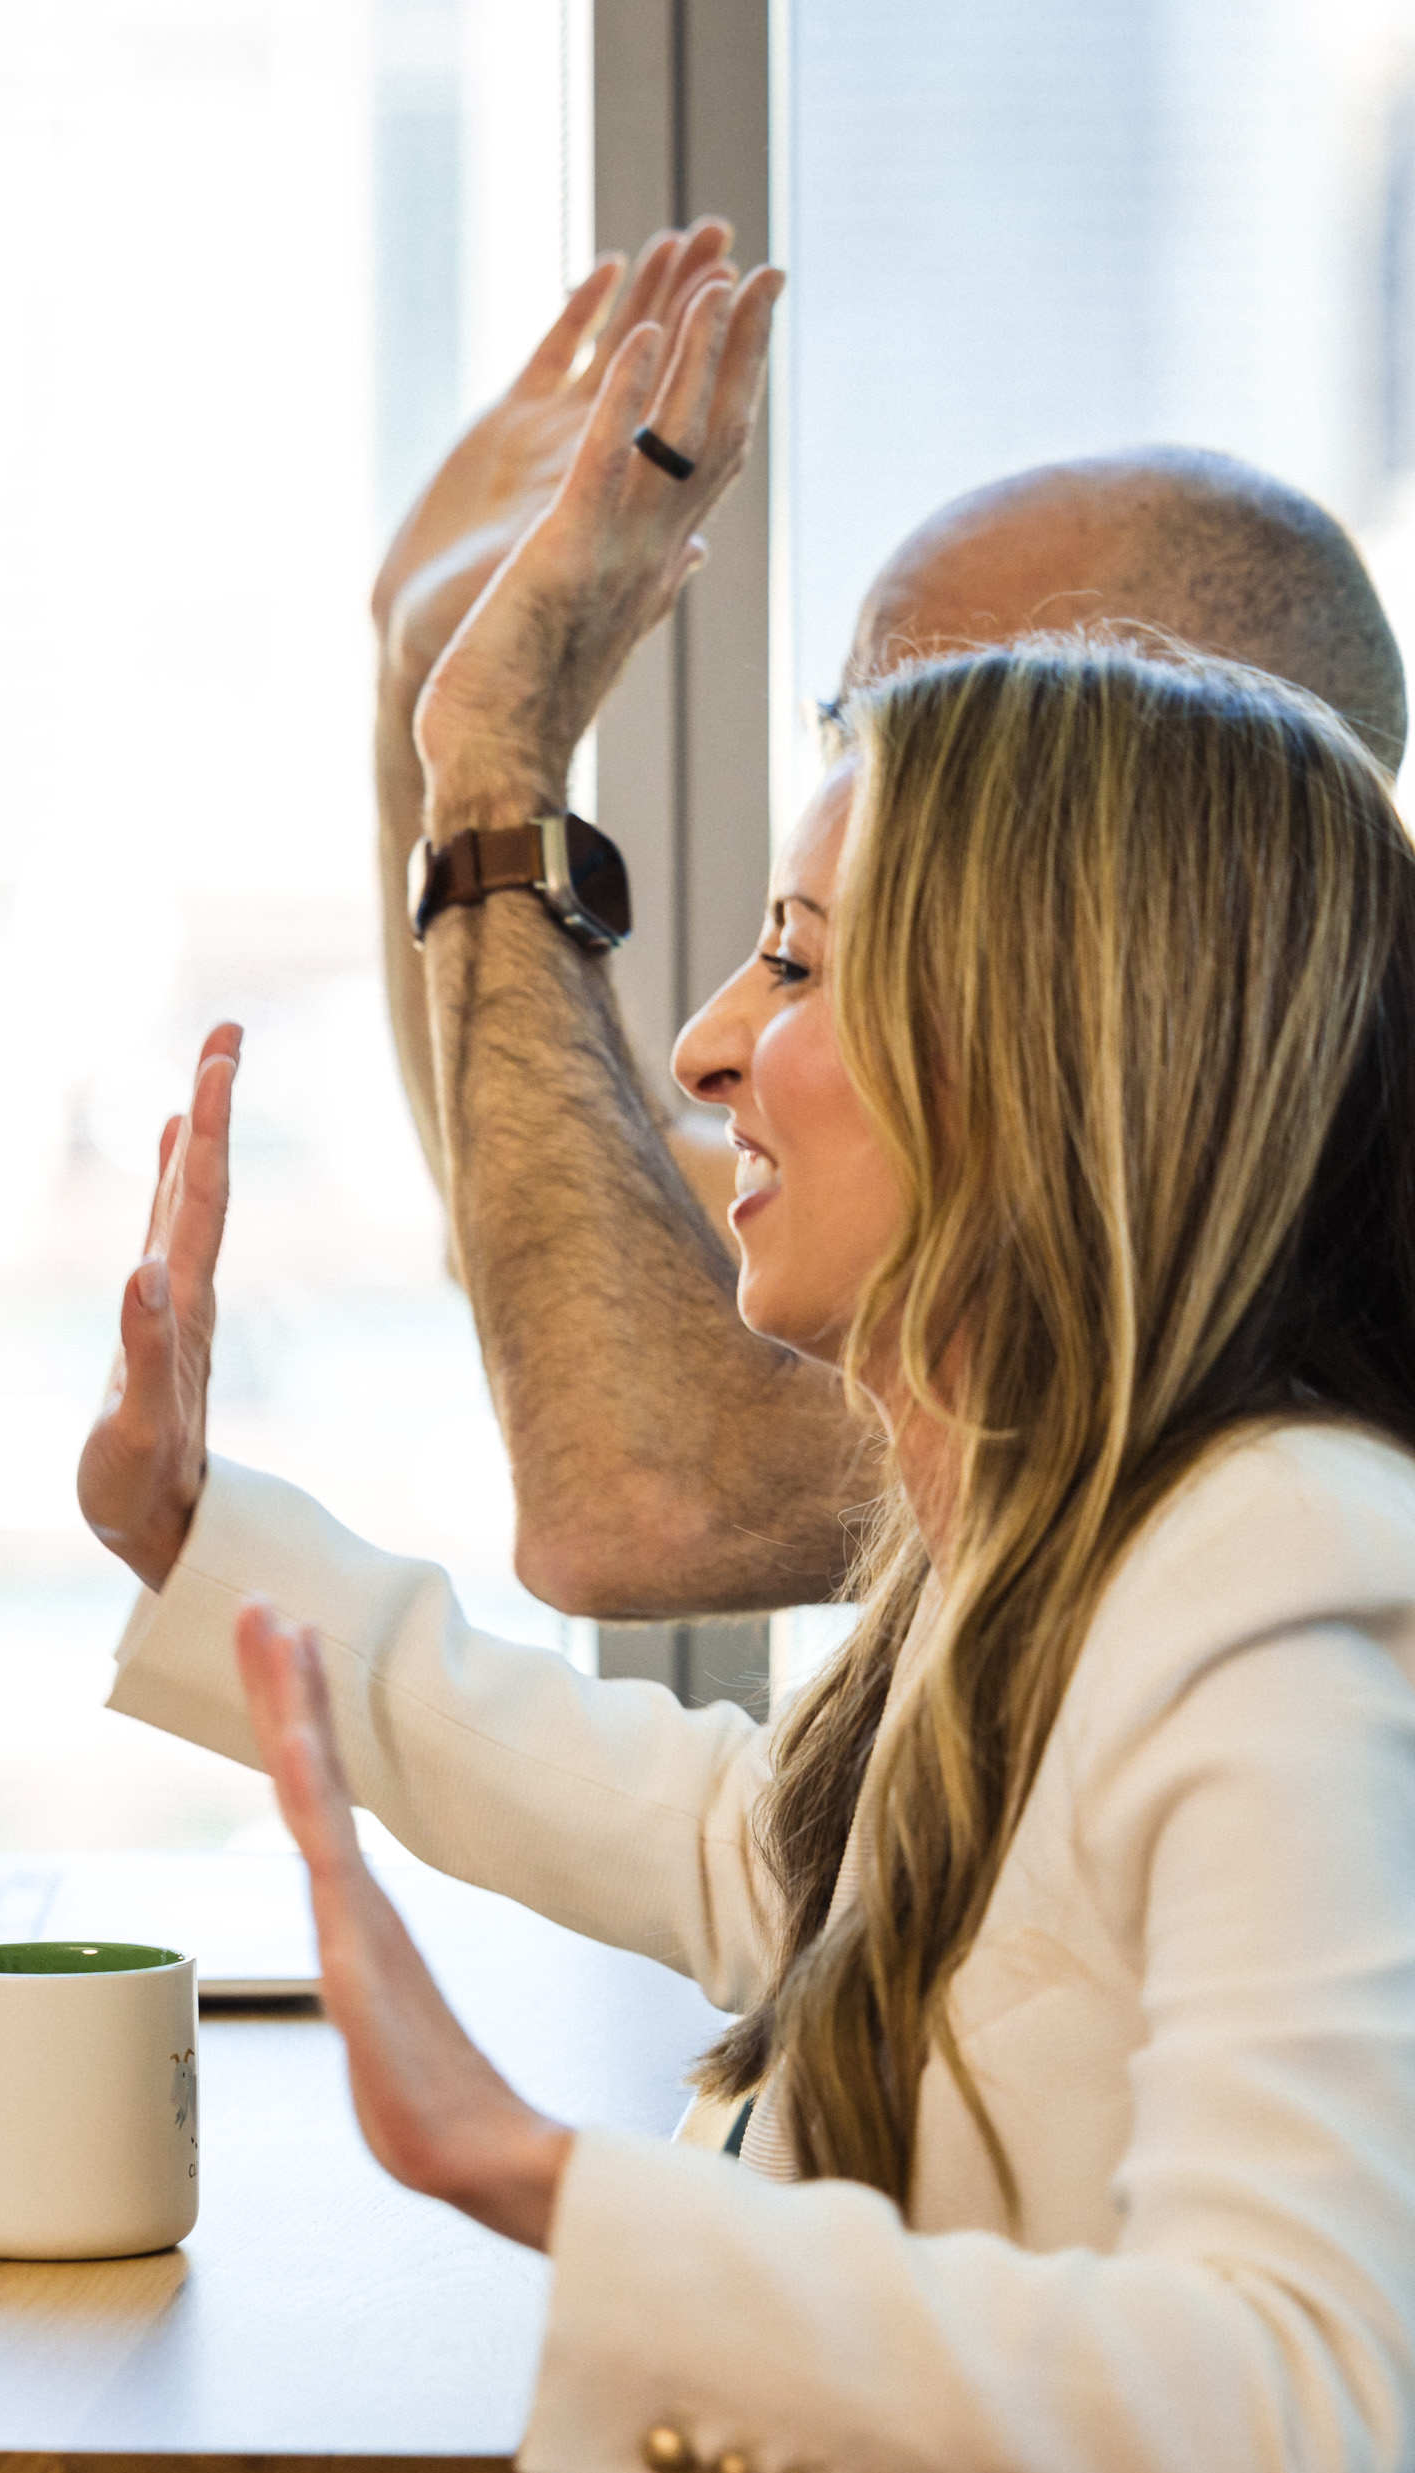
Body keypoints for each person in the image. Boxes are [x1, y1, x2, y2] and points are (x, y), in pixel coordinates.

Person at [87, 631, 1415, 2473]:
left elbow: (1287, 2432)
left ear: (1040, 1048)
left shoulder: (1281, 1602)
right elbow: (778, 1853)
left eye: (793, 963)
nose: (706, 1047)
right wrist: (206, 1544)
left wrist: (542, 2174)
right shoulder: (1094, 1547)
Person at [375, 227, 1412, 1621]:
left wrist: (491, 748)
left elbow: (639, 1484)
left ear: (1189, 778)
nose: (866, 791)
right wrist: (424, 702)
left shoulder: (1273, 1236)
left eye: (935, 731)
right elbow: (565, 1243)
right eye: (852, 728)